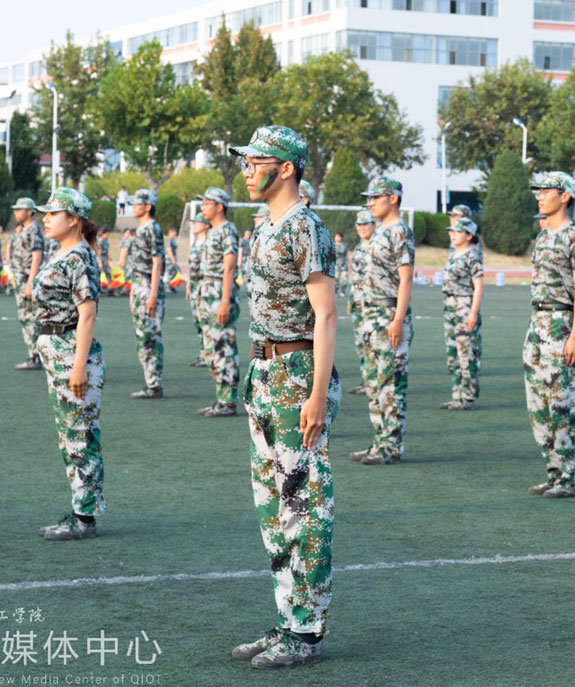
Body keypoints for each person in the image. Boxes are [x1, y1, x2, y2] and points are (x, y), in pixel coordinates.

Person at [227, 124, 340, 669]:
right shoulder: (263, 226)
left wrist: (317, 393)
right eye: (245, 161)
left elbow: (326, 314)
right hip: (263, 372)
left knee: (305, 503)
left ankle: (308, 631)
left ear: (286, 168)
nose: (246, 169)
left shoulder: (306, 228)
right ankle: (286, 620)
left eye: (256, 161)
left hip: (297, 373)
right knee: (273, 508)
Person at [32, 187, 106, 541]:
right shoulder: (64, 253)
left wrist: (78, 366)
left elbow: (87, 314)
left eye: (53, 213)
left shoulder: (79, 257)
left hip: (70, 353)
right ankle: (80, 511)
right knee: (69, 437)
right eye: (44, 213)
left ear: (73, 219)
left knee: (80, 436)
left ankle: (84, 519)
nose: (45, 218)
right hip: (57, 353)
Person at [524, 171, 575, 498]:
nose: (540, 195)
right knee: (538, 405)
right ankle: (554, 472)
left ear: (565, 196)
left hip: (561, 324)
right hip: (537, 326)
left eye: (546, 190)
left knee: (562, 405)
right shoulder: (544, 235)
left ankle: (571, 476)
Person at [349, 176, 414, 466]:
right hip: (370, 315)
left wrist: (398, 318)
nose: (370, 202)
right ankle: (379, 442)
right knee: (374, 383)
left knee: (390, 383)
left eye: (376, 197)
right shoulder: (379, 231)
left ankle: (391, 446)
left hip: (388, 314)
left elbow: (406, 276)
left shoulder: (399, 231)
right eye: (369, 197)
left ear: (394, 198)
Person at [195, 187, 240, 416]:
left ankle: (228, 400)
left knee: (223, 345)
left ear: (219, 206)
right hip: (207, 290)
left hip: (220, 292)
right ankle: (221, 398)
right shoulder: (212, 231)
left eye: (206, 203)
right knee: (210, 346)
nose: (202, 207)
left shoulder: (227, 231)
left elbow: (229, 267)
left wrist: (224, 302)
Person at [440, 216, 484, 411]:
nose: (453, 234)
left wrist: (473, 312)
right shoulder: (453, 255)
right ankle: (456, 395)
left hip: (464, 306)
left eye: (457, 231)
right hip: (450, 307)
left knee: (466, 353)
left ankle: (467, 396)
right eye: (451, 231)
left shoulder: (472, 256)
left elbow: (479, 285)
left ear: (469, 235)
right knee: (453, 354)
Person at [128, 189, 166, 399]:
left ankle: (154, 384)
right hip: (139, 285)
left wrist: (152, 294)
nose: (134, 206)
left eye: (138, 203)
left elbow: (157, 262)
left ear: (148, 207)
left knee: (150, 335)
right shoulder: (141, 229)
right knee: (142, 335)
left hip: (149, 286)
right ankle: (150, 381)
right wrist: (133, 292)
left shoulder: (152, 229)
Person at [11, 199, 46, 370]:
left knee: (29, 318)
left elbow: (37, 257)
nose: (16, 212)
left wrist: (31, 283)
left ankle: (36, 356)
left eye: (20, 209)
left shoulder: (33, 230)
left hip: (26, 279)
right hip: (21, 279)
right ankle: (35, 354)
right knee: (25, 317)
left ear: (30, 211)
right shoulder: (25, 230)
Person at [345, 210, 375, 396]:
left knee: (372, 342)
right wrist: (351, 298)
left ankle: (373, 382)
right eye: (359, 225)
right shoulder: (358, 248)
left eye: (366, 224)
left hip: (372, 301)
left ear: (374, 224)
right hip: (358, 301)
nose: (362, 228)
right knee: (360, 343)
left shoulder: (377, 247)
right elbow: (354, 276)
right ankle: (366, 380)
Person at [186, 213, 210, 367]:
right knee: (197, 321)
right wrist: (188, 286)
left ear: (206, 225)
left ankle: (209, 355)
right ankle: (203, 354)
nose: (194, 224)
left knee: (205, 321)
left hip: (204, 286)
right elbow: (190, 267)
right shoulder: (195, 243)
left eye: (197, 222)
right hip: (194, 286)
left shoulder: (209, 243)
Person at [332, 232, 349, 297]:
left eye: (339, 236)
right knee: (335, 279)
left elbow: (347, 255)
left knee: (345, 279)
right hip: (335, 264)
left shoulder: (345, 245)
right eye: (336, 236)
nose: (337, 238)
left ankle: (342, 291)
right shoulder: (332, 245)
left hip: (344, 265)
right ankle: (335, 292)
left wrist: (350, 265)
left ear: (341, 237)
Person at [165, 228, 180, 293]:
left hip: (174, 258)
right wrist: (173, 259)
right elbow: (169, 250)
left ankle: (172, 286)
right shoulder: (169, 240)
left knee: (174, 273)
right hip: (170, 259)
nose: (174, 233)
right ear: (169, 233)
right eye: (173, 232)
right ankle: (169, 287)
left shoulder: (173, 240)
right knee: (171, 273)